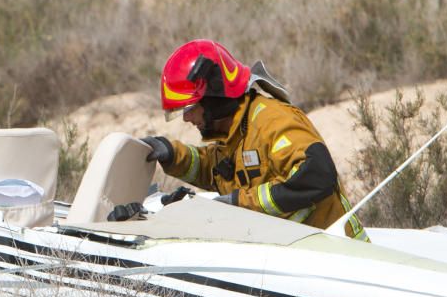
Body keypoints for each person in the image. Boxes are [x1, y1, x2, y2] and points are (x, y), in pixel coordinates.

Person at [140, 39, 368, 240]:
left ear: (213, 98)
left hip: (337, 254)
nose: (187, 118)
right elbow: (216, 170)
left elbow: (317, 176)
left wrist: (238, 203)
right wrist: (172, 155)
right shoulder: (233, 132)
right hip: (293, 255)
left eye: (189, 108)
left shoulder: (273, 121)